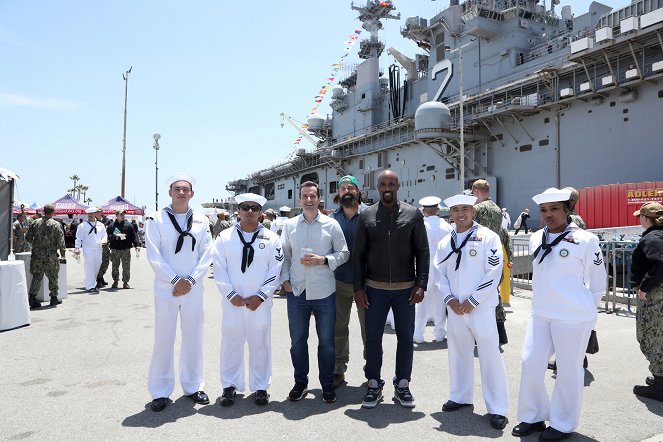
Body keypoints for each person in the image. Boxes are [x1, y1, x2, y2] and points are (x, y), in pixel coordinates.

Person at [512, 188, 606, 440]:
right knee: (530, 362)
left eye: (554, 208)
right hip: (541, 313)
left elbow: (598, 283)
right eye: (544, 210)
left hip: (572, 316)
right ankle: (532, 417)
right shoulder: (535, 237)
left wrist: (585, 308)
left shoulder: (586, 240)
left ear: (567, 210)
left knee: (568, 369)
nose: (548, 214)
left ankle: (563, 423)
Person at [353, 170, 429, 409]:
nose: (387, 187)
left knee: (406, 339)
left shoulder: (413, 214)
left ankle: (403, 384)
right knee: (373, 339)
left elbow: (423, 252)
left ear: (398, 185)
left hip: (405, 289)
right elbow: (358, 256)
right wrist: (358, 288)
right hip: (374, 289)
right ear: (378, 187)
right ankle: (374, 384)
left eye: (391, 183)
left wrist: (421, 284)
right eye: (383, 184)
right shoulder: (366, 216)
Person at [436, 194, 509, 430]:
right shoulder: (445, 242)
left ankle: (497, 408)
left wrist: (473, 300)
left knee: (490, 356)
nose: (460, 214)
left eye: (465, 209)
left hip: (481, 308)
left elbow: (494, 271)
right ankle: (460, 395)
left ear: (473, 212)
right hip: (455, 308)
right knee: (458, 353)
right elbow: (440, 273)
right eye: (455, 210)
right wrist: (450, 299)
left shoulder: (488, 237)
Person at [145, 174, 213, 412]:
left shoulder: (202, 220)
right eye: (177, 189)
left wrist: (190, 280)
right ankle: (160, 391)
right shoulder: (156, 218)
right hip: (166, 289)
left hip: (193, 289)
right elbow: (153, 254)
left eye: (186, 189)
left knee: (194, 338)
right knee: (164, 339)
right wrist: (175, 280)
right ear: (170, 193)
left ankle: (194, 386)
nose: (182, 192)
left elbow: (207, 253)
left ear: (192, 193)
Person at [280, 181, 349, 404]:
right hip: (297, 292)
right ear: (299, 200)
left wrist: (324, 260)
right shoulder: (290, 226)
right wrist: (285, 281)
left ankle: (327, 384)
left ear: (320, 199)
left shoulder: (331, 225)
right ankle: (300, 382)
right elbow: (285, 255)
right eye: (304, 196)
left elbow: (344, 253)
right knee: (297, 342)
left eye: (312, 196)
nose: (308, 200)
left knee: (327, 343)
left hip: (324, 292)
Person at [213, 193, 283, 406]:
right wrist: (230, 294)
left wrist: (261, 295)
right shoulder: (224, 237)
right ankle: (229, 386)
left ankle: (261, 387)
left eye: (254, 208)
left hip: (259, 303)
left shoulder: (272, 238)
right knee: (231, 343)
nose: (250, 211)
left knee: (260, 343)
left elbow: (276, 269)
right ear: (238, 211)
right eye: (245, 207)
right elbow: (218, 268)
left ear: (261, 213)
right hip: (232, 301)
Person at [330, 175, 366, 389]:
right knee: (338, 328)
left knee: (368, 329)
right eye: (342, 188)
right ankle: (337, 370)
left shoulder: (370, 215)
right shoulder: (331, 219)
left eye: (350, 188)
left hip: (365, 282)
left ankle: (372, 371)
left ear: (358, 191)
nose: (346, 191)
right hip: (339, 280)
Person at [471, 179, 513, 345]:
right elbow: (504, 234)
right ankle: (500, 332)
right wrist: (509, 257)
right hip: (495, 257)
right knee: (493, 292)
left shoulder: (478, 209)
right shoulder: (497, 210)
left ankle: (480, 335)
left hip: (478, 258)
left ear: (475, 192)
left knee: (478, 295)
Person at [630, 202, 663, 402]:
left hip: (655, 297)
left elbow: (660, 262)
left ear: (645, 218)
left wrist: (645, 286)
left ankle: (660, 385)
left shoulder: (652, 238)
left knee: (651, 337)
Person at [414, 196, 452, 344]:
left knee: (421, 300)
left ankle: (418, 334)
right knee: (441, 300)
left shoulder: (421, 225)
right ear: (437, 210)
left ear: (424, 211)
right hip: (443, 265)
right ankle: (440, 333)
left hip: (425, 265)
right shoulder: (447, 226)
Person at [25, 204, 66, 309]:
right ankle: (53, 298)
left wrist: (36, 245)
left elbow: (28, 238)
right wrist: (62, 254)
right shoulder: (56, 224)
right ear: (53, 212)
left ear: (43, 211)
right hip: (50, 255)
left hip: (37, 255)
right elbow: (61, 241)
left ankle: (32, 298)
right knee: (52, 276)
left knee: (37, 276)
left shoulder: (35, 223)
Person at [74, 207, 108, 294]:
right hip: (88, 249)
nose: (90, 215)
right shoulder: (82, 225)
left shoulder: (101, 225)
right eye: (89, 214)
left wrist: (104, 240)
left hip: (98, 248)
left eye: (92, 213)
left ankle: (91, 282)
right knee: (89, 267)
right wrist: (77, 248)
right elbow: (78, 238)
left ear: (96, 214)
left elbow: (104, 235)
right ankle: (90, 286)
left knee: (97, 266)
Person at [107, 209, 140, 289]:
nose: (123, 216)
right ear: (116, 215)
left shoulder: (129, 225)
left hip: (126, 249)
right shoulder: (111, 226)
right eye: (121, 214)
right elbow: (108, 237)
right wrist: (115, 236)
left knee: (126, 266)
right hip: (115, 249)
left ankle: (125, 282)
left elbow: (134, 236)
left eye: (123, 214)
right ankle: (115, 281)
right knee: (115, 266)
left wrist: (137, 245)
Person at [96, 211, 113, 287]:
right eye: (97, 212)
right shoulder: (93, 221)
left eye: (99, 211)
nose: (98, 213)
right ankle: (98, 278)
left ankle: (101, 275)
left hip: (105, 245)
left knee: (106, 262)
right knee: (98, 262)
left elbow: (111, 230)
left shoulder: (107, 221)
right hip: (96, 245)